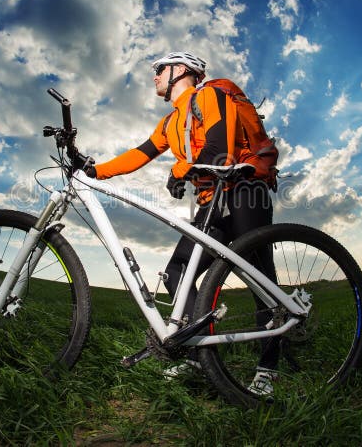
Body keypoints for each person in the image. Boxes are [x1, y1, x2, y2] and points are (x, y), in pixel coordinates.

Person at [85, 51, 278, 395]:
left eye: (159, 69)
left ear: (180, 70)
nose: (154, 76)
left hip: (246, 189)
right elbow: (137, 155)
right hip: (211, 203)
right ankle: (198, 357)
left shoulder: (209, 95)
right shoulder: (170, 122)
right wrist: (95, 171)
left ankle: (269, 367)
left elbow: (220, 148)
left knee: (260, 279)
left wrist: (180, 170)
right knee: (177, 272)